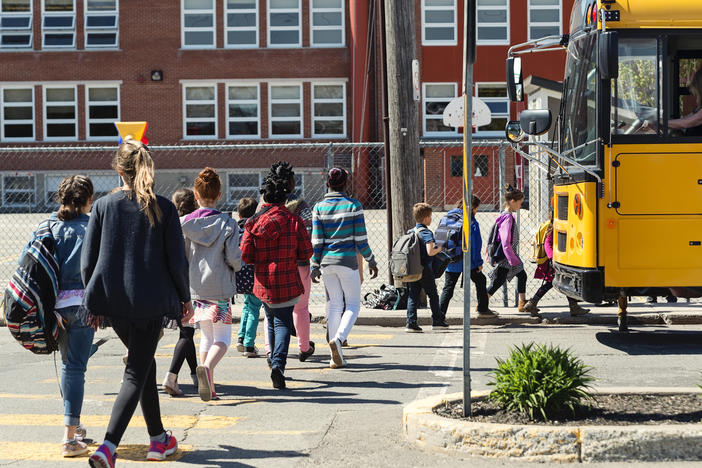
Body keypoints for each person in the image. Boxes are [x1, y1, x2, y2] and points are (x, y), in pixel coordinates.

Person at [83, 138, 193, 468]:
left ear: (118, 170)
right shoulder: (164, 206)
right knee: (135, 372)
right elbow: (177, 261)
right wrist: (184, 299)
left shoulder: (103, 206)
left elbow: (88, 262)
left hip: (114, 303)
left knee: (143, 365)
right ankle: (108, 446)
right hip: (151, 303)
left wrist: (93, 301)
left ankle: (158, 438)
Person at [21, 176, 94, 457]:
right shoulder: (92, 227)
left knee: (68, 365)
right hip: (84, 305)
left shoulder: (47, 225)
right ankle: (69, 438)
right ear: (88, 199)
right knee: (75, 367)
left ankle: (73, 421)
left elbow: (27, 263)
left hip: (54, 307)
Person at [241, 173, 313, 389]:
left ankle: (273, 358)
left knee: (271, 318)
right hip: (287, 280)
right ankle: (278, 365)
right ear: (284, 197)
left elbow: (246, 254)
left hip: (263, 281)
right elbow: (307, 252)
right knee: (282, 321)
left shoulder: (253, 222)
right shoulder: (294, 221)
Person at [182, 168, 241, 402]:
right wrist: (237, 266)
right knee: (223, 339)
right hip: (220, 287)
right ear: (219, 194)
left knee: (206, 335)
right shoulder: (228, 223)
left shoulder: (184, 224)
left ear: (196, 194)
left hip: (196, 288)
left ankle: (209, 387)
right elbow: (234, 258)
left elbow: (181, 256)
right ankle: (206, 369)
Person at [311, 168, 378, 367]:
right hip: (347, 262)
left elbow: (317, 241)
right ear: (346, 184)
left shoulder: (318, 207)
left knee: (334, 305)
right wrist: (371, 260)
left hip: (326, 263)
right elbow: (360, 239)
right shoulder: (354, 206)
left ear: (327, 184)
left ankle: (334, 357)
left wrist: (315, 264)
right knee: (353, 305)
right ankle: (338, 340)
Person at [260, 162, 315, 362]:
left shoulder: (263, 206)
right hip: (298, 265)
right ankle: (304, 346)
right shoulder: (301, 206)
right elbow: (308, 233)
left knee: (270, 312)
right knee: (301, 308)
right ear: (291, 183)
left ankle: (269, 350)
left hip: (268, 267)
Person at [162, 188, 199, 397]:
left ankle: (195, 373)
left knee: (188, 331)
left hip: (172, 282)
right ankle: (172, 375)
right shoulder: (194, 225)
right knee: (187, 332)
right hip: (191, 284)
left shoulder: (172, 225)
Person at [523, 211, 589, 317]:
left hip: (556, 261)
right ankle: (573, 307)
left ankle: (533, 303)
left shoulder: (556, 226)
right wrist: (552, 258)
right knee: (558, 282)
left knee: (558, 282)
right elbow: (547, 244)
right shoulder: (555, 228)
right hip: (553, 262)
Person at [439, 196, 495, 318]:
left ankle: (439, 316)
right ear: (473, 208)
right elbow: (475, 245)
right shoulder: (471, 222)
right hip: (467, 261)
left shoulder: (448, 217)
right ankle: (483, 309)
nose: (476, 211)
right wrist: (478, 263)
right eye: (476, 209)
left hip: (450, 259)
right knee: (481, 280)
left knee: (448, 288)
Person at [403, 202, 444, 333]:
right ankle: (437, 320)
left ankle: (411, 323)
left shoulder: (411, 231)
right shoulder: (426, 232)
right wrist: (440, 248)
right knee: (433, 295)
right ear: (426, 218)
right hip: (425, 269)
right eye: (430, 216)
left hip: (413, 269)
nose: (431, 219)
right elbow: (430, 251)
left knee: (413, 295)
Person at [486, 186, 528, 312]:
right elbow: (505, 241)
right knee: (498, 281)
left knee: (520, 276)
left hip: (508, 255)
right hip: (507, 256)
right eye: (519, 204)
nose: (520, 207)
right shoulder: (507, 218)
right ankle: (482, 303)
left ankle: (522, 303)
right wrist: (512, 259)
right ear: (512, 201)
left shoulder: (505, 216)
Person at [235, 197, 262, 358]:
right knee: (254, 308)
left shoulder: (235, 228)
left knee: (247, 304)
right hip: (254, 274)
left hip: (239, 274)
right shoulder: (255, 228)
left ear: (238, 214)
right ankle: (249, 345)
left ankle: (241, 336)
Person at [668, 68, 702, 135]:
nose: (696, 98)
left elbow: (686, 123)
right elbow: (685, 119)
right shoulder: (699, 109)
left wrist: (660, 122)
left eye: (696, 94)